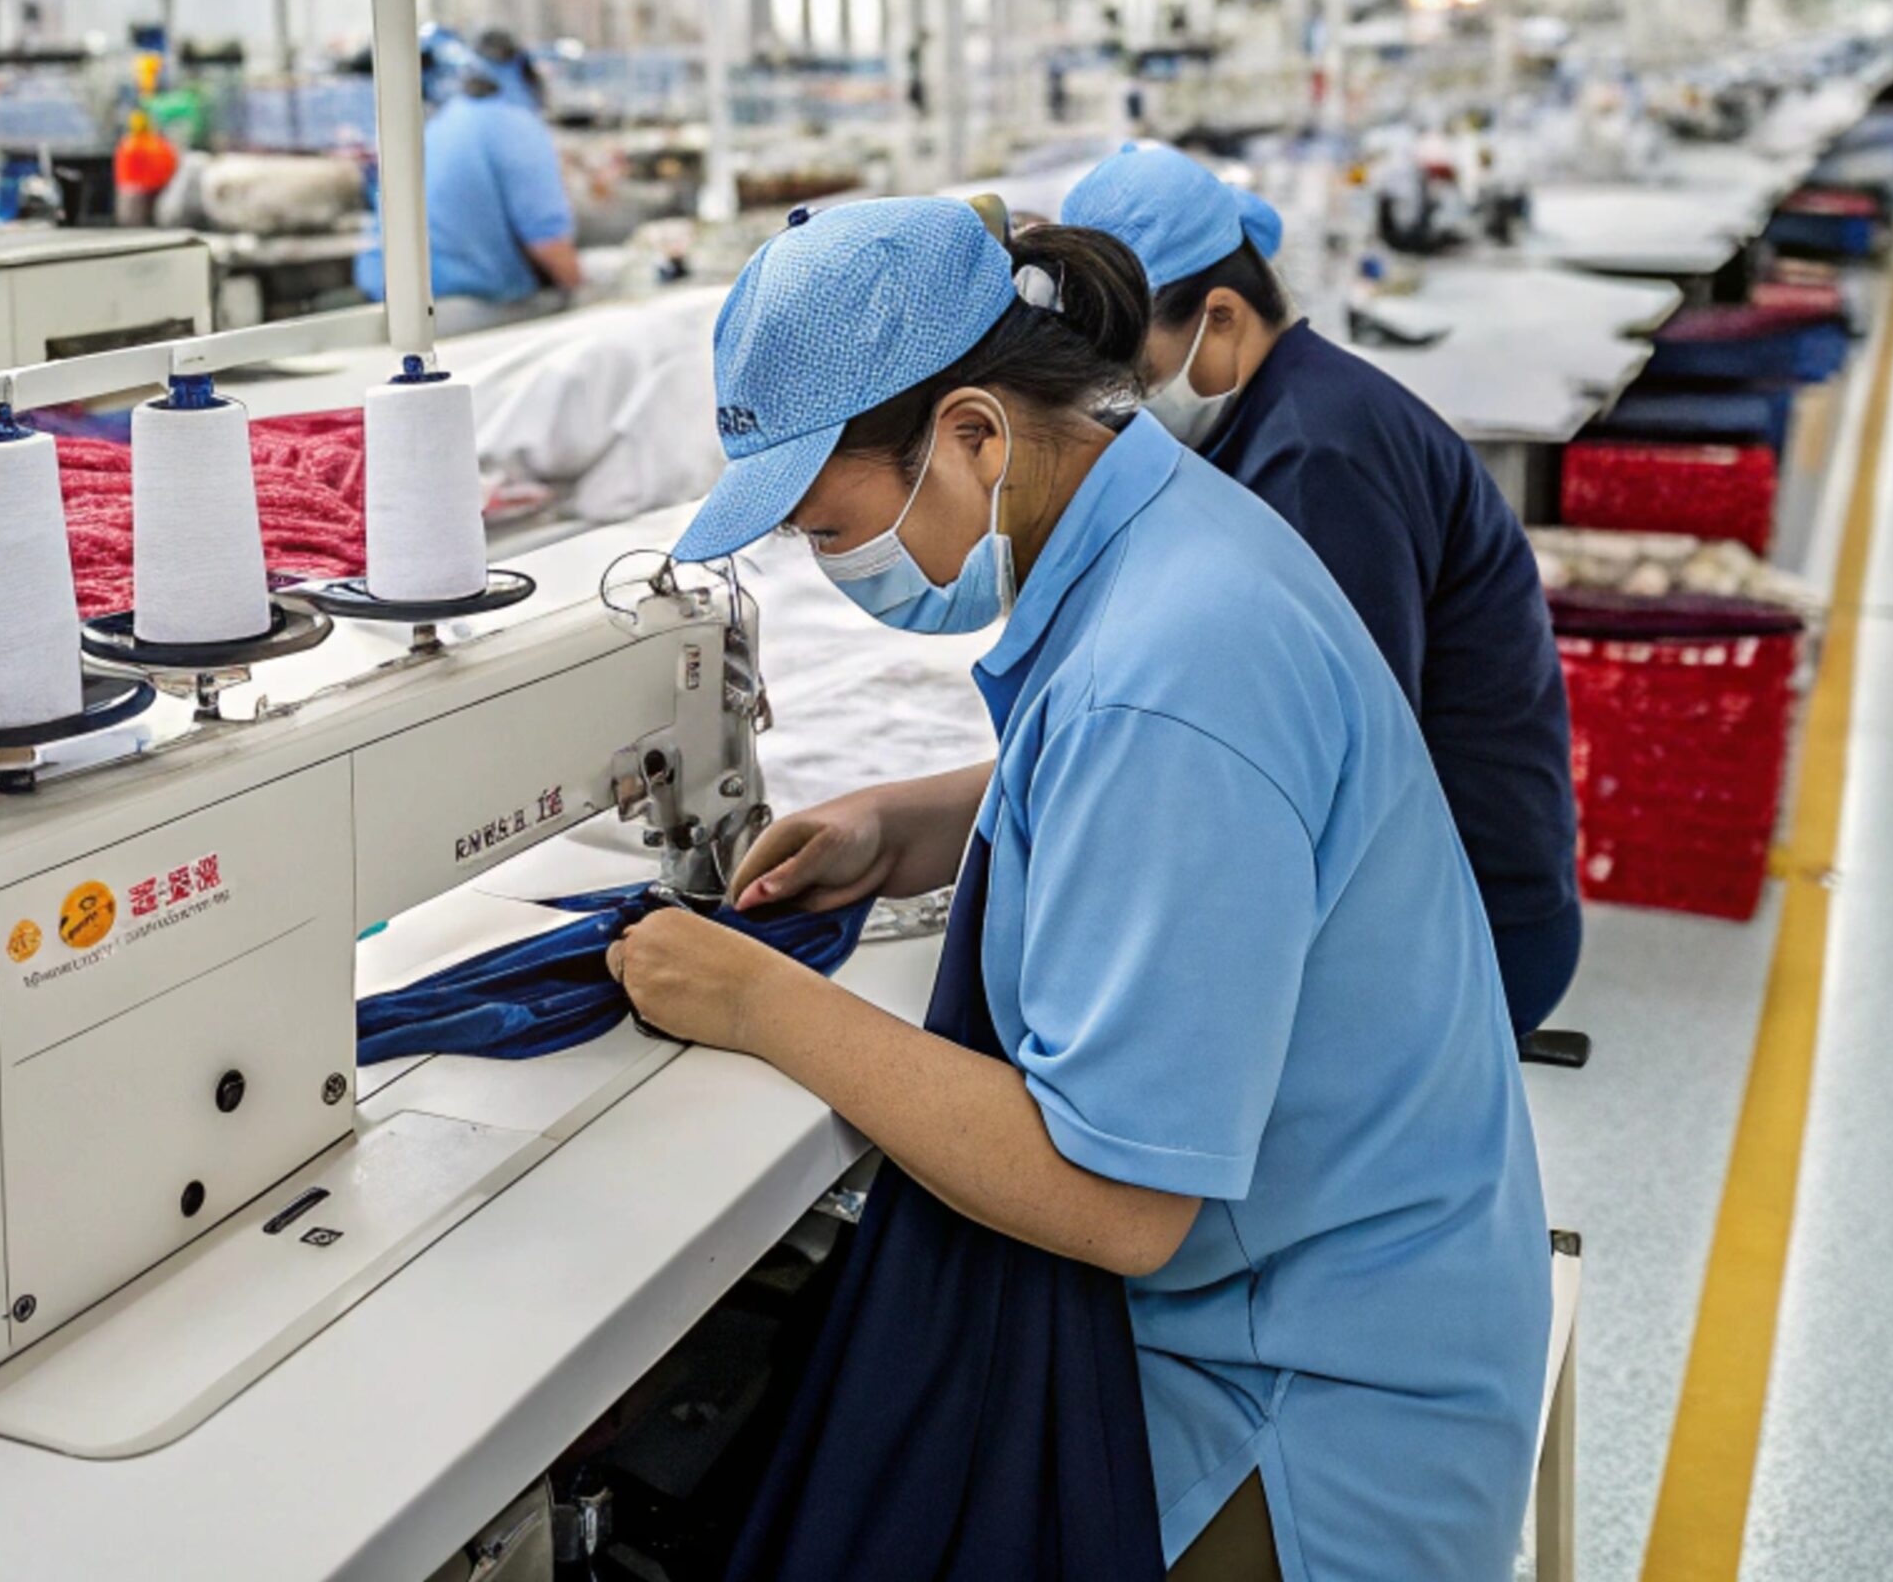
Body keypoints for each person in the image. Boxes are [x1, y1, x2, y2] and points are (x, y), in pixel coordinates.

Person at [613, 196, 1549, 1582]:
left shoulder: (1170, 674)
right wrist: (925, 825)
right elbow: (1174, 820)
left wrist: (760, 1003)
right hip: (1316, 1281)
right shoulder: (1168, 530)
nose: (834, 564)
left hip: (1307, 1403)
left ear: (975, 436)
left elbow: (1116, 1197)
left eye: (830, 525)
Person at [1059, 143, 1579, 1034]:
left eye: (1130, 371)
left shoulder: (1318, 457)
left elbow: (1318, 761)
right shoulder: (1270, 419)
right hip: (1414, 887)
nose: (1119, 400)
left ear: (1220, 318)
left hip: (1469, 927)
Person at [356, 46, 581, 326]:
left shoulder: (446, 120)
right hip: (456, 309)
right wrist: (588, 299)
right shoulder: (516, 124)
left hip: (390, 299)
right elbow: (548, 242)